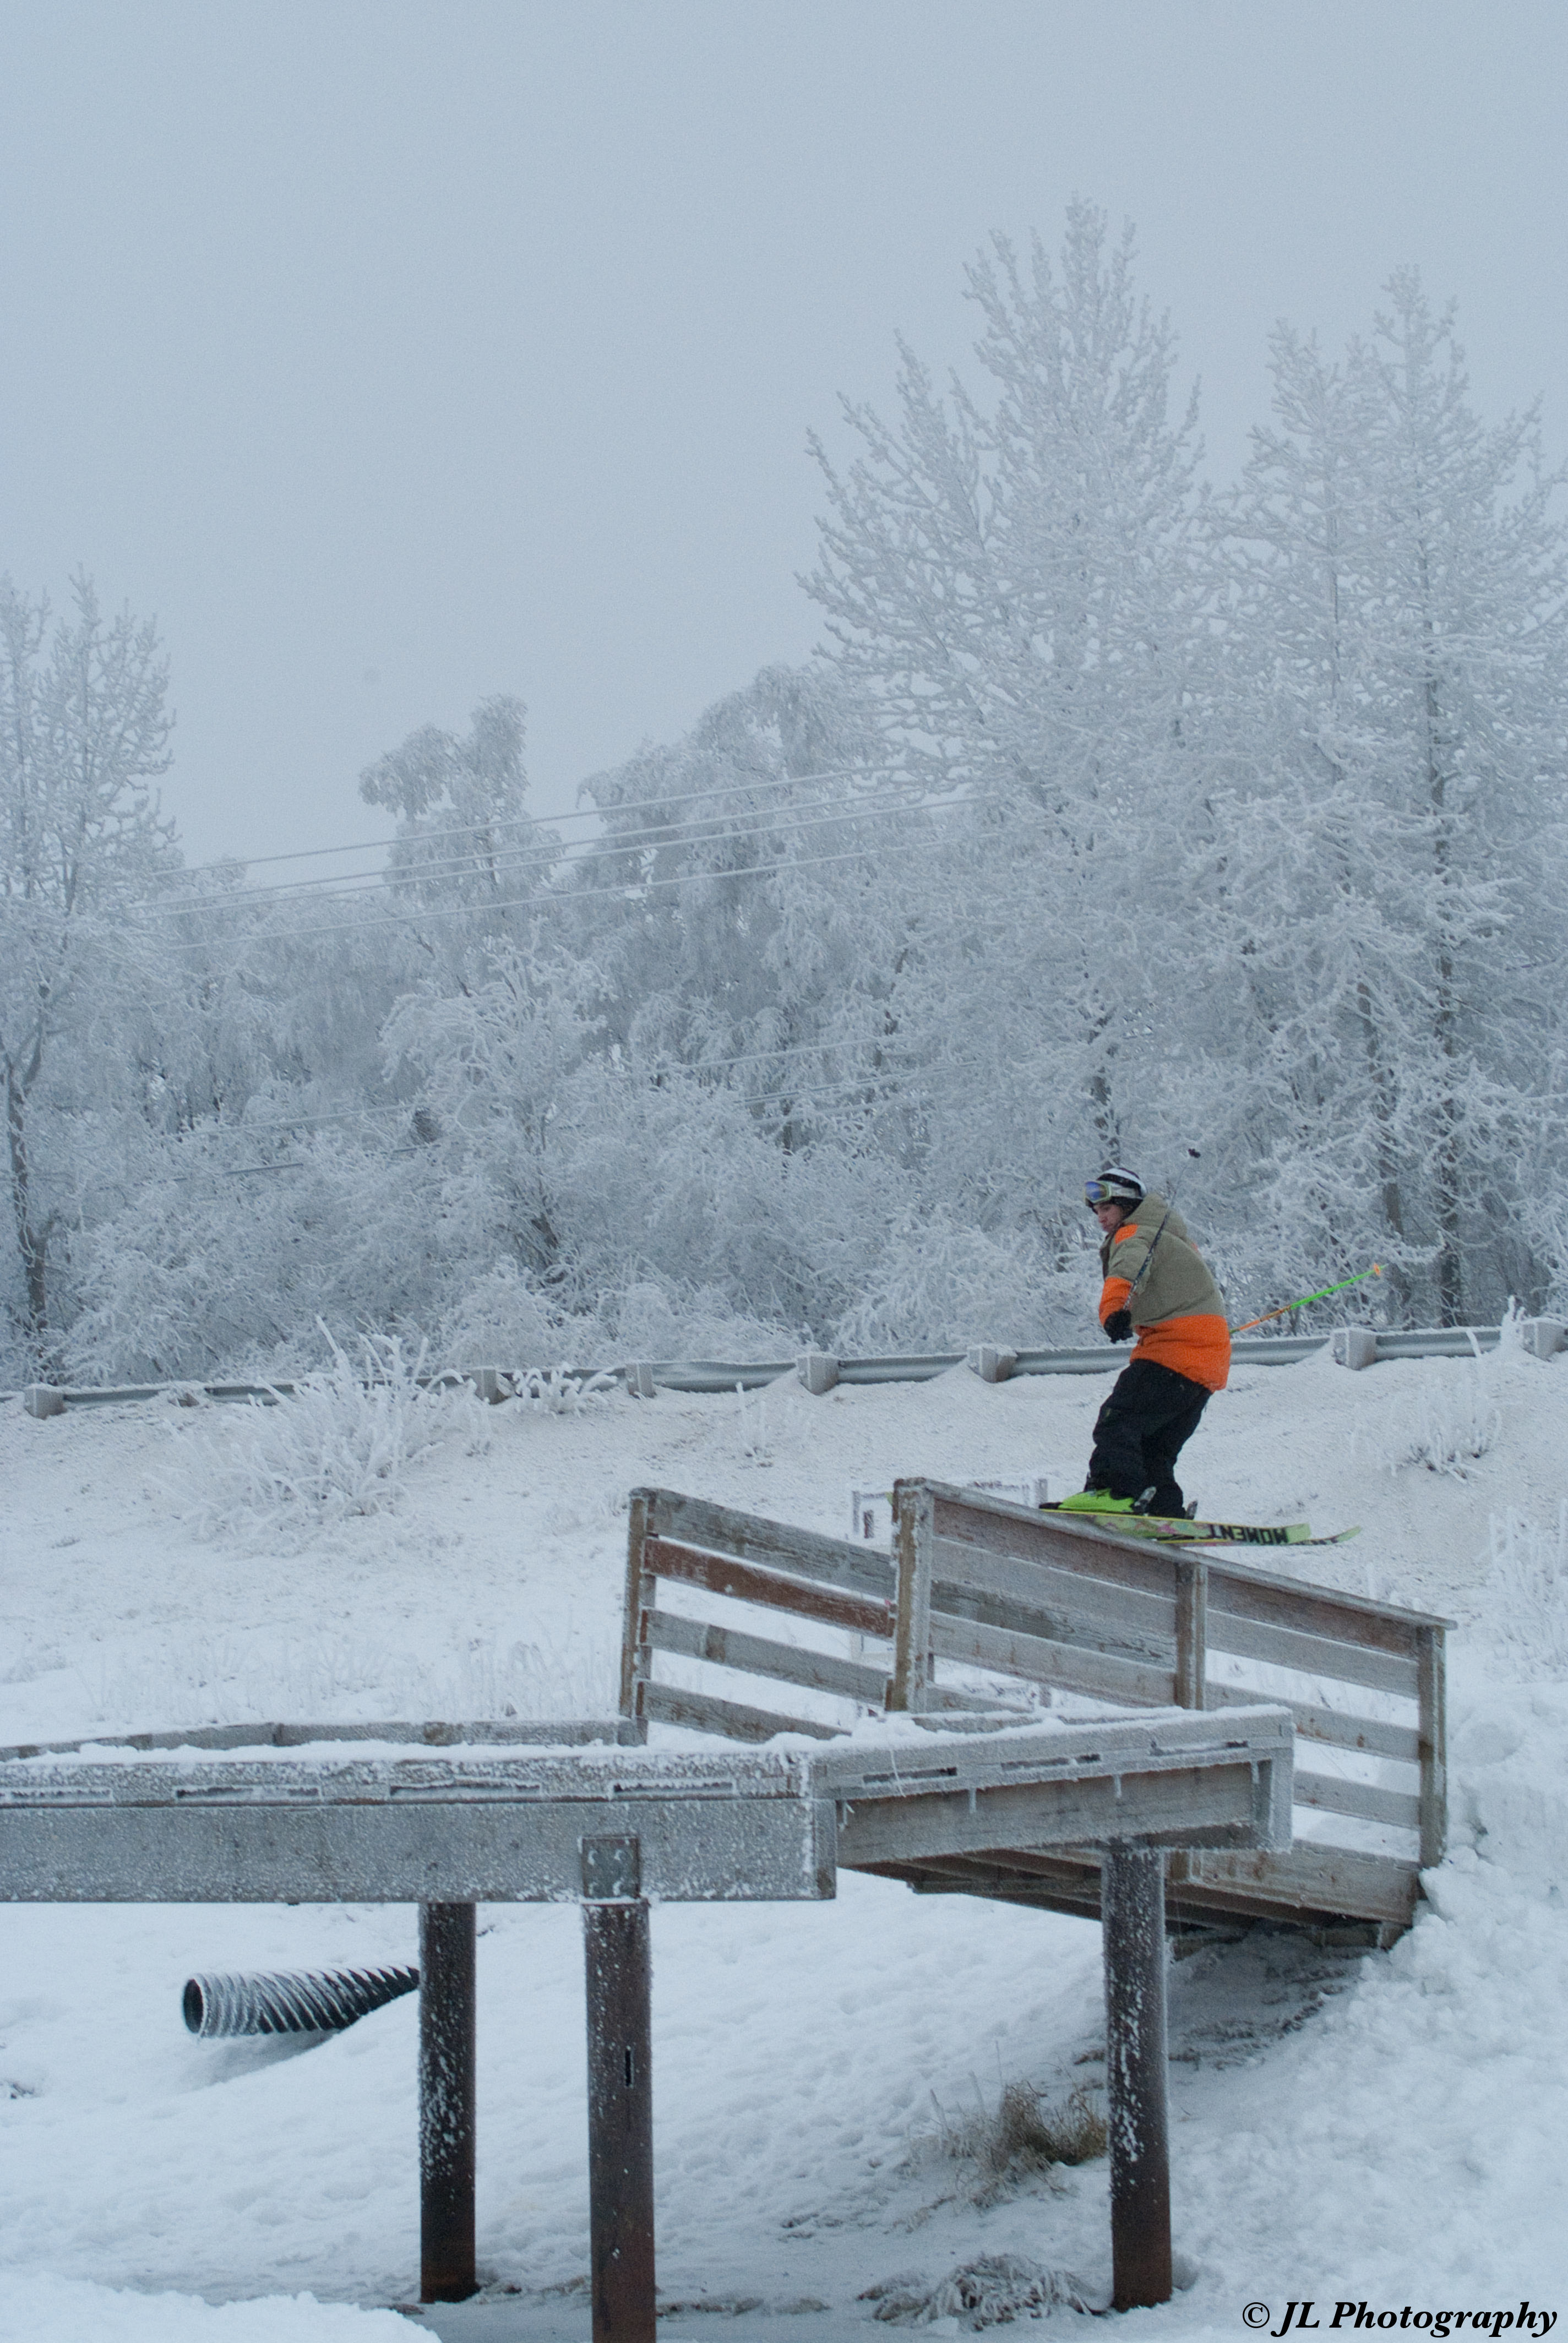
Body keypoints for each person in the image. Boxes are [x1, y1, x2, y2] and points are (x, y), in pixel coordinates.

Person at [1057, 1165, 1231, 1520]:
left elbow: (1127, 1272)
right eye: (1096, 1211)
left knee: (1117, 1420)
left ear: (1127, 1204)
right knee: (1153, 1448)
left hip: (1173, 1353)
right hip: (1206, 1361)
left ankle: (1112, 1492)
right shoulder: (1176, 1238)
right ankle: (1163, 1509)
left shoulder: (1135, 1234)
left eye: (1106, 1209)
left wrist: (1115, 1312)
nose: (1100, 1218)